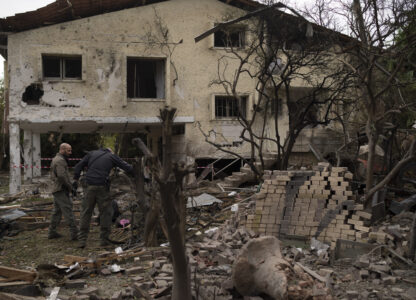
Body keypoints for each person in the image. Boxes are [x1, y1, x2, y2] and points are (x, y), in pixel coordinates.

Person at [73, 148, 133, 248]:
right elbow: (127, 167)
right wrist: (136, 173)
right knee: (106, 212)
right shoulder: (111, 156)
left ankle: (82, 241)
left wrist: (75, 179)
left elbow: (78, 166)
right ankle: (104, 241)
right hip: (103, 187)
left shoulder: (91, 153)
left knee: (86, 212)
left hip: (89, 186)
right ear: (109, 151)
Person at [48, 143, 78, 240]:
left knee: (57, 212)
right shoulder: (60, 160)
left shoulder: (57, 159)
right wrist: (70, 187)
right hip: (61, 189)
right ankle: (75, 234)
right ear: (62, 150)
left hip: (58, 189)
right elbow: (61, 176)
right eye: (68, 150)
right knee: (68, 210)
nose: (70, 153)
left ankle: (51, 232)